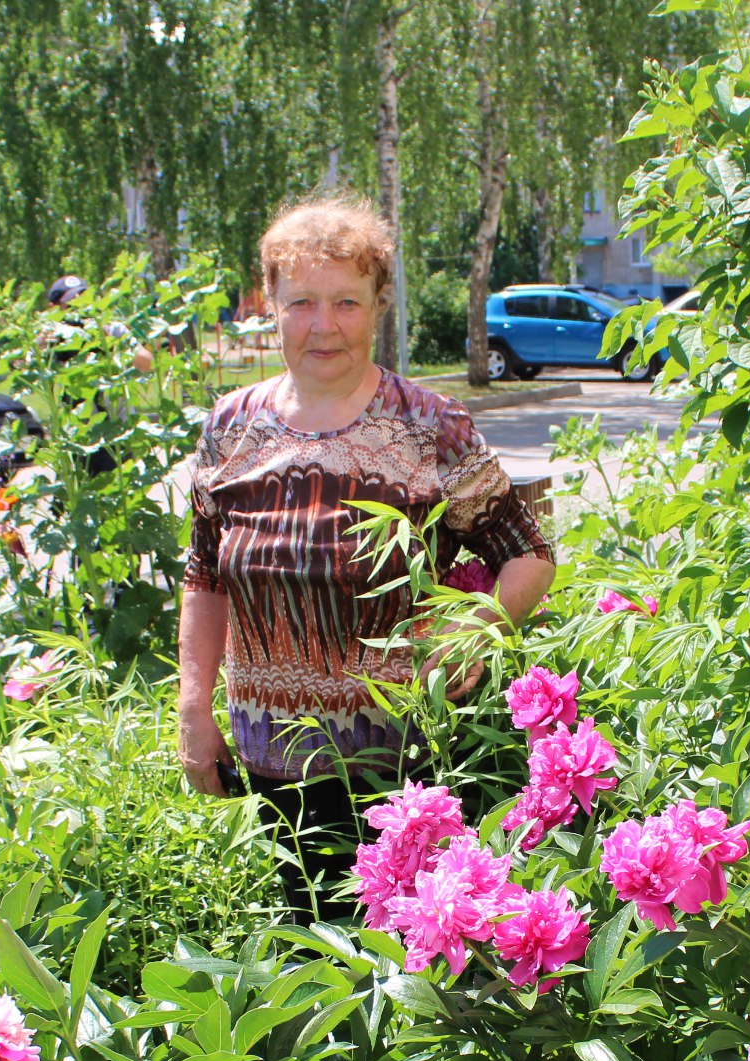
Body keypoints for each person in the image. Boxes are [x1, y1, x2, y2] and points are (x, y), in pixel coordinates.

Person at [177, 194, 556, 918]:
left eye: (347, 302)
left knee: (406, 959)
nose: (324, 326)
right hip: (273, 768)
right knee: (304, 947)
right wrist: (195, 709)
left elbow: (528, 552)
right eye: (302, 303)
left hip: (407, 773)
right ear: (271, 307)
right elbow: (205, 577)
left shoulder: (428, 426)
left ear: (380, 304)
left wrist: (471, 633)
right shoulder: (231, 426)